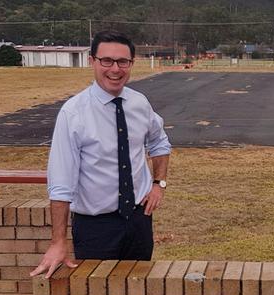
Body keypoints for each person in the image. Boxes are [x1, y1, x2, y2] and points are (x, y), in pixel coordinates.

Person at [31, 30, 171, 278]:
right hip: (96, 228)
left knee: (139, 293)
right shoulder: (73, 114)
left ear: (131, 64)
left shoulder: (140, 103)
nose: (115, 69)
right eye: (106, 61)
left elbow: (159, 142)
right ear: (92, 61)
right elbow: (61, 184)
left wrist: (159, 184)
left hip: (139, 221)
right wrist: (58, 242)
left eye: (122, 62)